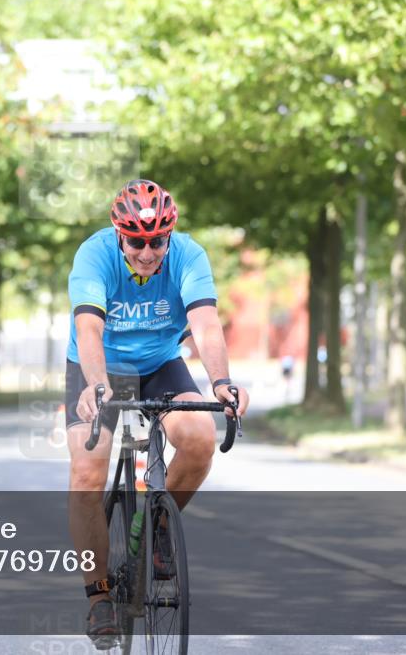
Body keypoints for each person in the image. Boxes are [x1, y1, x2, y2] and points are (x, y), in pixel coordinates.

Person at [65, 179, 250, 647]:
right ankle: (99, 597)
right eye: (137, 242)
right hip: (100, 365)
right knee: (88, 471)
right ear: (118, 235)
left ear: (170, 235)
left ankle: (158, 523)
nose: (148, 252)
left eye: (157, 241)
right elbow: (88, 328)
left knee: (200, 438)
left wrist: (222, 382)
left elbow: (205, 324)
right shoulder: (94, 256)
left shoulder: (189, 256)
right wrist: (96, 385)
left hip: (162, 363)